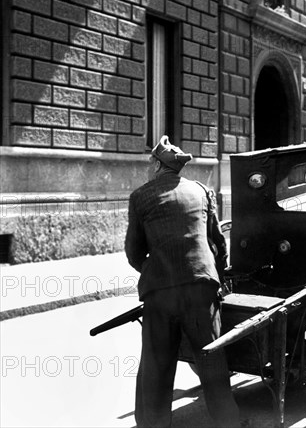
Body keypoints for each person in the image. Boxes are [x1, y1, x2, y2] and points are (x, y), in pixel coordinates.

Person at [125, 136, 239, 428]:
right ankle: (228, 423)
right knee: (212, 361)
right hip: (201, 287)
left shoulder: (140, 197)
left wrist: (155, 272)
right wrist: (221, 276)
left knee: (156, 365)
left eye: (151, 162)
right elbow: (217, 241)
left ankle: (153, 424)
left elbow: (134, 252)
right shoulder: (201, 191)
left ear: (157, 164)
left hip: (159, 293)